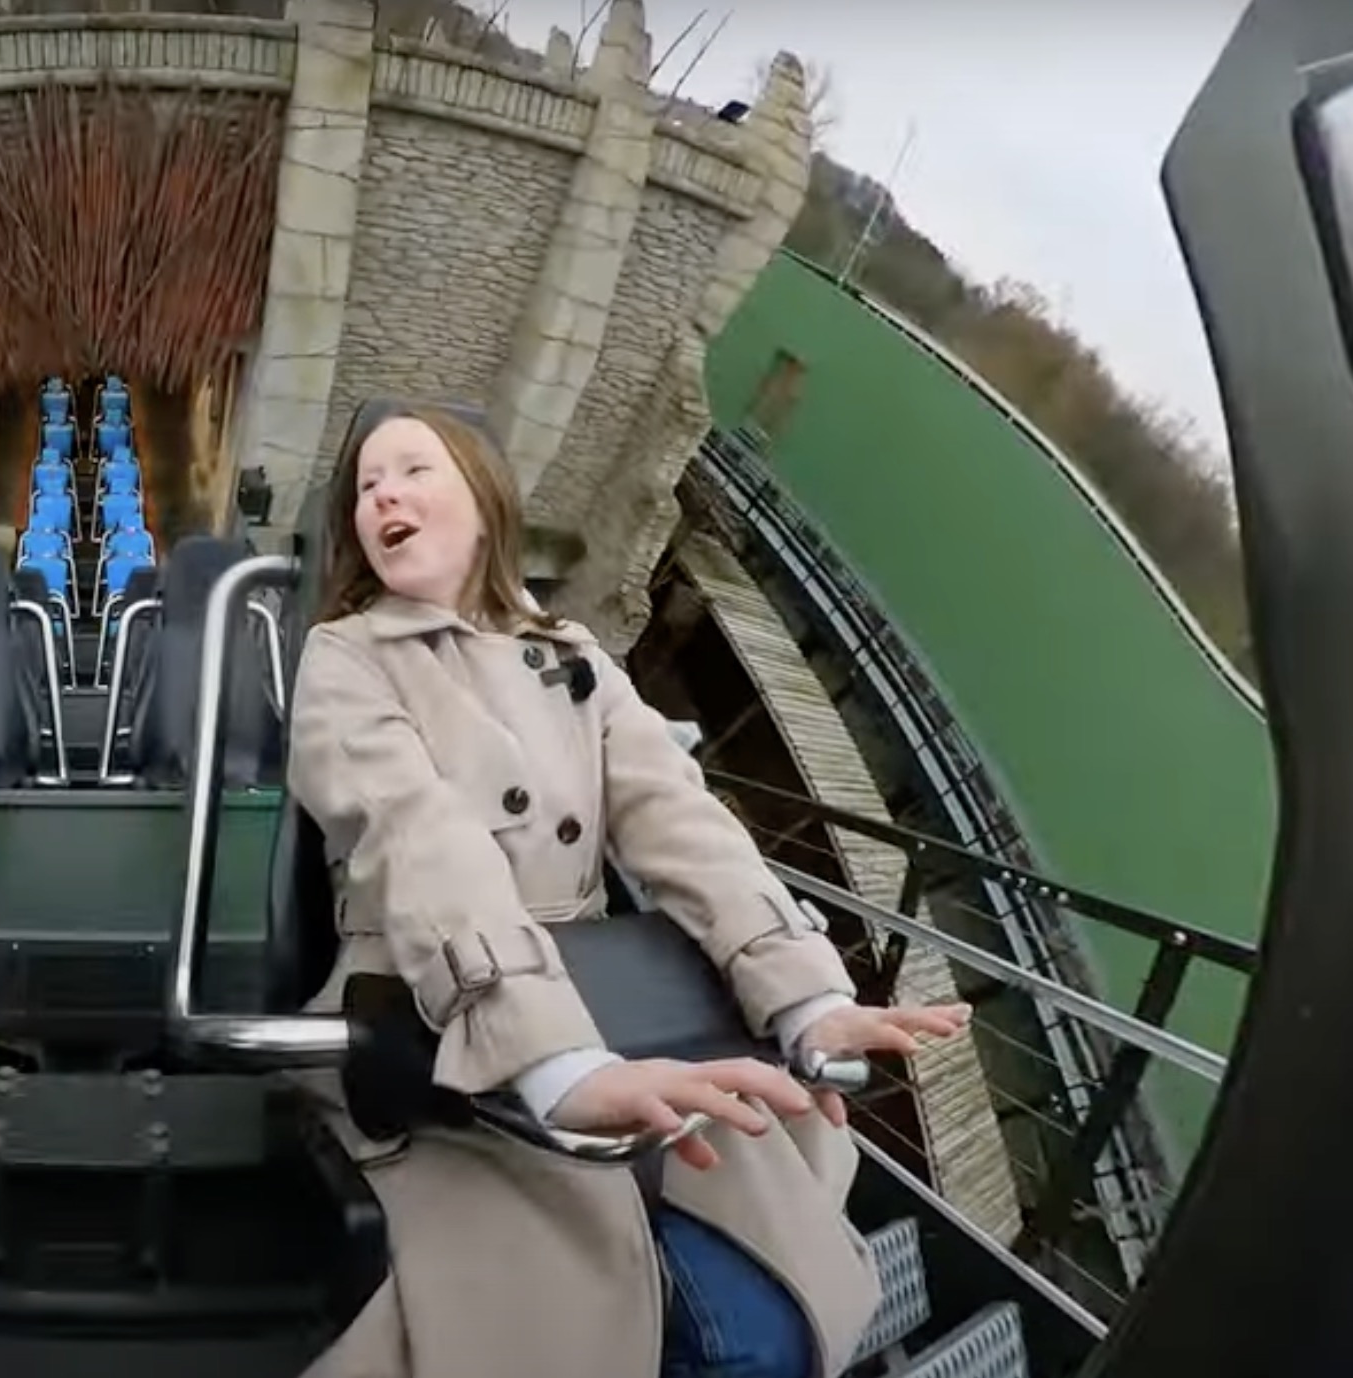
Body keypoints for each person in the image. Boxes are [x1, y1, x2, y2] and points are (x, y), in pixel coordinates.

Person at [286, 405, 971, 1378]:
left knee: (774, 1327)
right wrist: (556, 1064)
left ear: (483, 498)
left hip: (619, 1008)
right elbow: (416, 838)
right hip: (438, 1021)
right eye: (364, 486)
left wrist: (804, 994)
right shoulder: (346, 656)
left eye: (411, 470)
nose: (381, 494)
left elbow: (678, 821)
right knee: (651, 1340)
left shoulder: (568, 654)